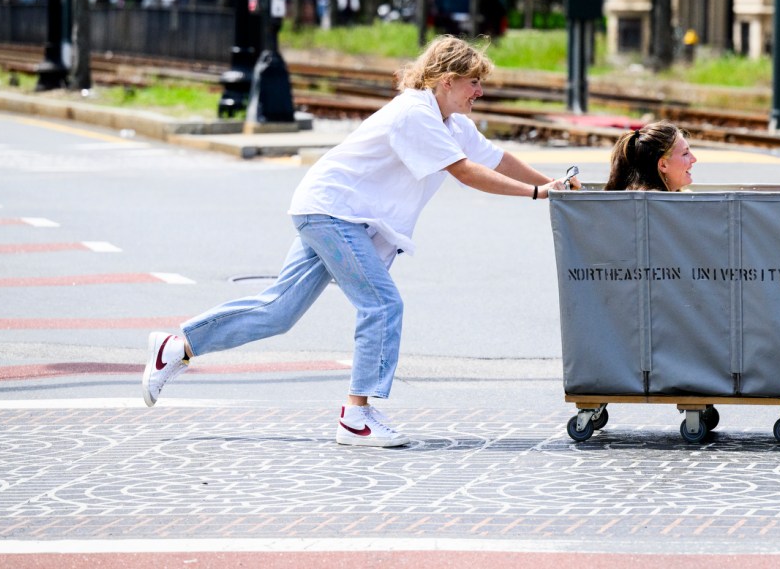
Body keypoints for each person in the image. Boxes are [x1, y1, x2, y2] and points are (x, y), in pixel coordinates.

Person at [142, 35, 580, 447]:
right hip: (334, 212)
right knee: (382, 304)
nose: (478, 92)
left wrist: (553, 184)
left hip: (332, 211)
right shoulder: (415, 113)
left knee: (278, 311)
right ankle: (357, 417)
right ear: (448, 81)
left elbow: (497, 158)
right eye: (474, 83)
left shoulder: (452, 123)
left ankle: (177, 346)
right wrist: (538, 195)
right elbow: (465, 172)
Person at [604, 120, 780, 197]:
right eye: (686, 153)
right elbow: (750, 211)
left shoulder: (621, 200)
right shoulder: (666, 206)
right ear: (663, 165)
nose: (694, 159)